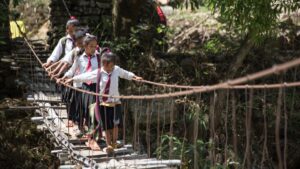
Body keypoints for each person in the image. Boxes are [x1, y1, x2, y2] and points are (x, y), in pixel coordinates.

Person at [65, 52, 142, 152]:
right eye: (106, 67)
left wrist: (135, 77)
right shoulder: (98, 73)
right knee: (106, 126)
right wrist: (72, 79)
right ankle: (108, 145)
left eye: (110, 67)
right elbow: (85, 76)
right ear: (102, 64)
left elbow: (125, 74)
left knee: (115, 125)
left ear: (114, 64)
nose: (108, 69)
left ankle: (114, 143)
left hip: (115, 102)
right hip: (103, 104)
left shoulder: (117, 70)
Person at [63, 34, 100, 135]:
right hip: (82, 86)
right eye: (91, 46)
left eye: (95, 46)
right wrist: (65, 77)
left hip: (94, 87)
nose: (93, 49)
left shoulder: (99, 58)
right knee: (81, 108)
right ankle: (81, 128)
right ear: (85, 46)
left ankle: (92, 134)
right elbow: (72, 70)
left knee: (92, 109)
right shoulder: (79, 58)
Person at [55, 29, 86, 127]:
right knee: (72, 101)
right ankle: (75, 122)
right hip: (75, 82)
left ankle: (84, 126)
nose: (80, 44)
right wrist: (59, 74)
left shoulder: (93, 52)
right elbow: (65, 63)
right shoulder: (75, 52)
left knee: (84, 106)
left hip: (88, 85)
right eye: (78, 42)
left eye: (82, 42)